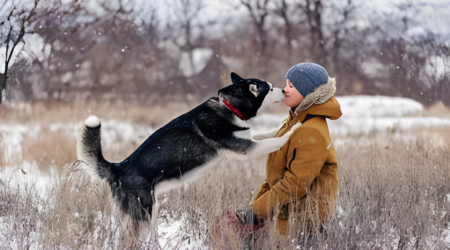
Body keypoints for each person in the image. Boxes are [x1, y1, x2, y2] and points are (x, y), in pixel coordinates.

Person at [241, 62, 342, 236]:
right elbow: (277, 175)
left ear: (308, 92)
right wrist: (256, 208)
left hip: (305, 224)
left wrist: (259, 211)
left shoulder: (311, 130)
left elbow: (296, 183)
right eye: (286, 84)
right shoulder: (295, 121)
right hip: (289, 215)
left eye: (292, 86)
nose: (284, 89)